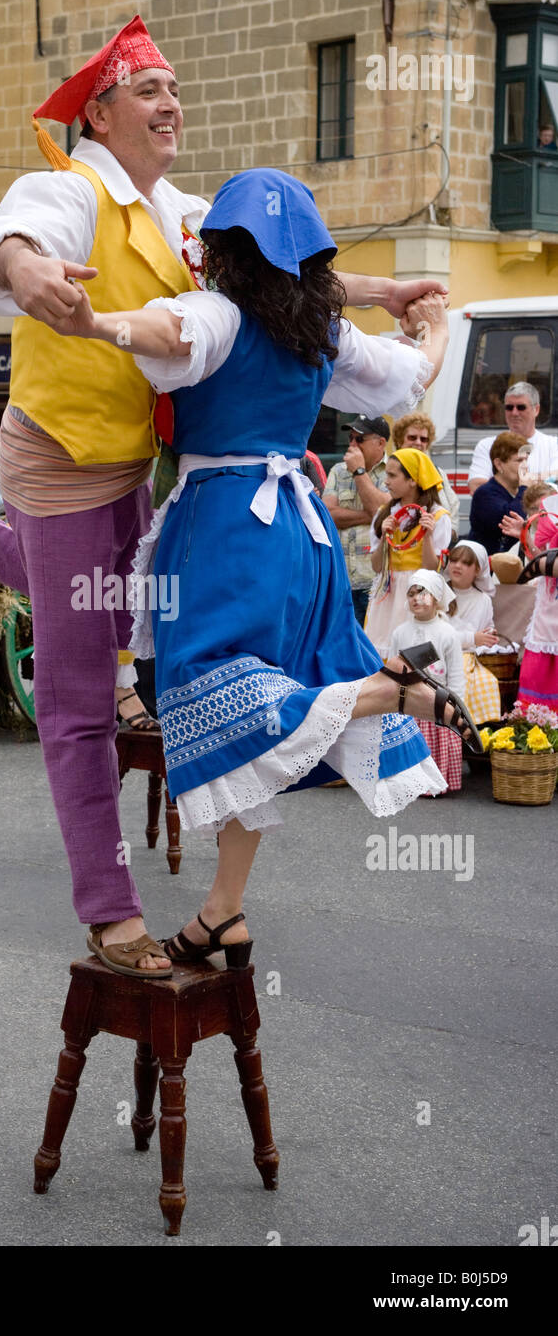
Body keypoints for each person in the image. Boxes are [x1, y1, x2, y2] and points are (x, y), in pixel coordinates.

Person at [0, 18, 450, 976]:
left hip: (138, 466)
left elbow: (269, 276)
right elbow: (18, 238)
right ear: (100, 110)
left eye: (174, 88)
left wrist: (380, 288)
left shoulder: (179, 210)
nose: (172, 103)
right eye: (150, 90)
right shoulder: (65, 187)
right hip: (57, 459)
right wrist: (29, 271)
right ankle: (109, 911)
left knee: (126, 623)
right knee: (76, 700)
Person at [38, 167, 487, 974]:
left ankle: (385, 690)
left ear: (224, 253)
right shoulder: (319, 333)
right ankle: (223, 911)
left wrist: (96, 323)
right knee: (257, 709)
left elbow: (170, 334)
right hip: (302, 536)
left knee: (207, 689)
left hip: (227, 527)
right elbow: (411, 372)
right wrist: (434, 321)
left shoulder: (220, 312)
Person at [364, 446, 453, 659]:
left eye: (393, 475)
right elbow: (377, 567)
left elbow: (433, 569)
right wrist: (385, 537)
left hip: (419, 591)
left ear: (412, 480)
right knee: (381, 652)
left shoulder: (437, 516)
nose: (386, 482)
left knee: (415, 654)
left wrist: (428, 536)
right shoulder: (384, 514)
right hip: (388, 592)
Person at [388, 570, 465, 794]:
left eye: (423, 593)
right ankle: (410, 784)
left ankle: (435, 783)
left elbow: (457, 675)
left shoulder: (448, 633)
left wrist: (456, 707)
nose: (416, 599)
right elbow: (393, 670)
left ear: (436, 598)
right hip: (409, 703)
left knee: (436, 742)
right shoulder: (400, 633)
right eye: (411, 594)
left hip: (437, 702)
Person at [323, 415, 390, 626]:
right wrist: (370, 515)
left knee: (372, 648)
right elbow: (329, 515)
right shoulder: (338, 471)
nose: (352, 445)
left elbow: (386, 514)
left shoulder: (393, 471)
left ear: (380, 443)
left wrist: (360, 472)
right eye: (351, 438)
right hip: (341, 581)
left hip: (376, 582)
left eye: (359, 439)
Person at [444, 542, 502, 726]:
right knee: (460, 679)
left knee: (489, 681)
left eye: (465, 563)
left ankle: (478, 732)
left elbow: (486, 626)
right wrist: (472, 638)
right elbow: (437, 635)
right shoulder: (439, 594)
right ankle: (457, 725)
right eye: (454, 560)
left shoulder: (483, 600)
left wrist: (489, 636)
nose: (457, 566)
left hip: (471, 658)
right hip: (442, 657)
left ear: (477, 569)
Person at [467, 383, 558, 493]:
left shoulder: (553, 445)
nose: (514, 413)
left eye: (521, 407)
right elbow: (476, 487)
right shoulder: (487, 445)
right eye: (509, 408)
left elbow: (555, 484)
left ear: (536, 410)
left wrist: (506, 483)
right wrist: (536, 480)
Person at [515, 490, 558, 713]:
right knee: (535, 675)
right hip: (547, 615)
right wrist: (526, 540)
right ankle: (535, 732)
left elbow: (548, 564)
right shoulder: (552, 518)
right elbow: (543, 560)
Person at [390, 411, 459, 529]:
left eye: (423, 439)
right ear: (400, 440)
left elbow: (453, 506)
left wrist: (449, 531)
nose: (418, 443)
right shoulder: (390, 470)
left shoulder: (438, 472)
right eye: (412, 437)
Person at [466, 432, 528, 556]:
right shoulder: (484, 494)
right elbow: (511, 519)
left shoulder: (520, 492)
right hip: (488, 570)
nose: (525, 466)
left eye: (526, 460)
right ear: (499, 464)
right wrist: (524, 488)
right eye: (519, 460)